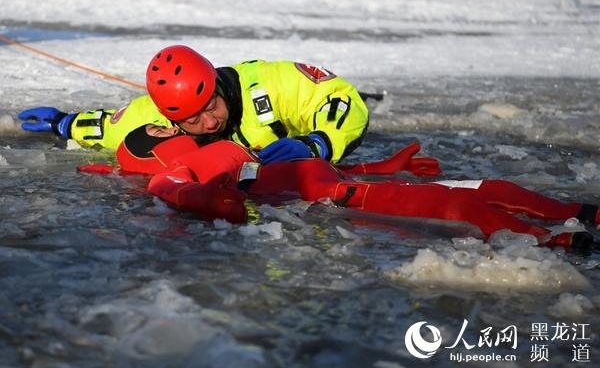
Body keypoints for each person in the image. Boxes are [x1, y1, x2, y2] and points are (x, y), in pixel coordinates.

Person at [80, 130, 598, 252]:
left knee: (489, 186)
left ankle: (580, 212)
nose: (170, 131)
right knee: (463, 204)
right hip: (339, 196)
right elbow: (169, 187)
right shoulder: (180, 167)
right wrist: (205, 200)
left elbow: (291, 162)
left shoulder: (226, 151)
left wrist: (383, 165)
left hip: (348, 182)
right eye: (160, 135)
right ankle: (558, 241)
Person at [18, 45, 370, 165]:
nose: (210, 122)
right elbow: (108, 128)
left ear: (217, 84)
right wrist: (63, 123)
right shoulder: (151, 118)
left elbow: (340, 100)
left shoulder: (271, 82)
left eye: (211, 104)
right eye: (193, 119)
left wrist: (318, 143)